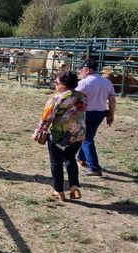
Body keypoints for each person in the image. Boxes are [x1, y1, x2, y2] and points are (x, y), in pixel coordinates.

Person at [31, 71, 87, 201]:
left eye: (57, 82)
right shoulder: (81, 96)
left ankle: (59, 190)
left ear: (64, 84)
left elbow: (47, 118)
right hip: (77, 134)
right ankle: (74, 187)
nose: (55, 83)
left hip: (59, 134)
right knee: (70, 159)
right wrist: (84, 133)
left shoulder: (56, 98)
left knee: (56, 161)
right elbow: (83, 115)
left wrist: (37, 132)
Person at [75, 58, 116, 176]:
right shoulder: (107, 82)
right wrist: (111, 115)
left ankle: (94, 167)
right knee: (87, 136)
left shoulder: (83, 83)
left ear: (87, 70)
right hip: (100, 113)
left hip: (86, 113)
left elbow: (74, 98)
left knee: (87, 139)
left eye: (81, 69)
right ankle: (81, 158)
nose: (80, 71)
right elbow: (112, 100)